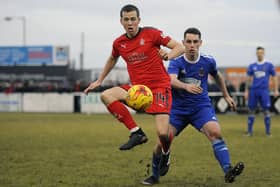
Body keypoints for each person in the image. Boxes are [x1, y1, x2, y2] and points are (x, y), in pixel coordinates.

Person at [143, 27, 244, 185]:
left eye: (195, 42)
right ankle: (155, 175)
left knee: (215, 132)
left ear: (200, 43)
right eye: (188, 42)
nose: (192, 45)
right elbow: (171, 80)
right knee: (162, 140)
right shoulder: (176, 61)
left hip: (200, 107)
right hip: (177, 109)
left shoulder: (208, 60)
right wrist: (185, 86)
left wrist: (226, 95)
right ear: (183, 43)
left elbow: (218, 76)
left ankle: (228, 170)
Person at [84, 4, 184, 155]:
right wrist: (99, 80)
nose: (130, 23)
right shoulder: (119, 43)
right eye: (126, 20)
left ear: (139, 20)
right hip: (138, 90)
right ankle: (136, 132)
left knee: (163, 134)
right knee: (106, 95)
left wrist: (167, 56)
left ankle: (165, 154)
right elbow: (112, 58)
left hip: (159, 88)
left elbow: (179, 47)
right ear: (121, 21)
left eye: (133, 19)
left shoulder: (152, 34)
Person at [244, 47, 279, 136]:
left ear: (263, 53)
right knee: (251, 110)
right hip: (253, 91)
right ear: (256, 54)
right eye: (258, 52)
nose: (259, 54)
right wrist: (246, 91)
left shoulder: (269, 65)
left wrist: (276, 90)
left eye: (261, 52)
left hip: (264, 91)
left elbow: (274, 77)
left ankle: (268, 132)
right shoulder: (252, 66)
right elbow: (248, 79)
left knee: (266, 111)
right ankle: (249, 132)